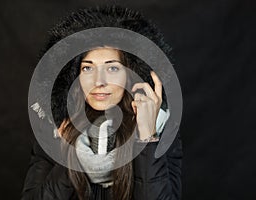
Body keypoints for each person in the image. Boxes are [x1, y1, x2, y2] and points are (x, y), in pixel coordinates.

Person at [22, 5, 182, 200]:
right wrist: (66, 154)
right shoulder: (56, 130)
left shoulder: (161, 129)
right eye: (87, 69)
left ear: (130, 75)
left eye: (112, 68)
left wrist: (148, 137)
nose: (99, 82)